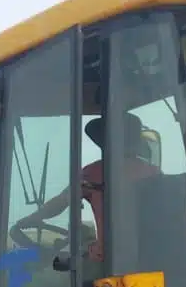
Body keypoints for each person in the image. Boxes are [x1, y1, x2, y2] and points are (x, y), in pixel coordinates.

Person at [12, 111, 162, 261]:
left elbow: (63, 200)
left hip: (109, 259)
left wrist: (31, 219)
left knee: (62, 265)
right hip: (152, 259)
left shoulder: (96, 172)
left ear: (108, 142)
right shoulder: (155, 172)